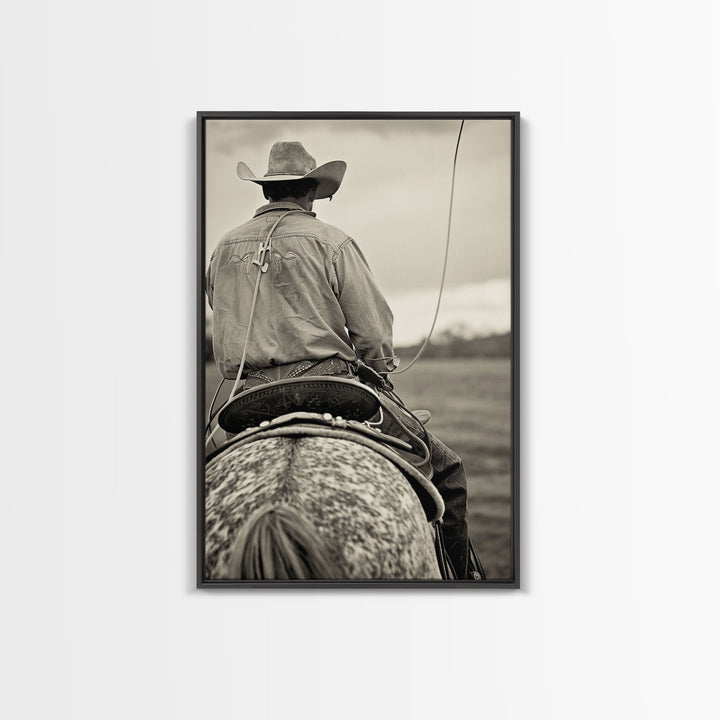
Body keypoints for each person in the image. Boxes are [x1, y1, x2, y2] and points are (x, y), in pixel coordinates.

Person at [206, 141, 471, 578]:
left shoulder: (224, 247)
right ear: (311, 189)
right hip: (330, 381)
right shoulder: (333, 241)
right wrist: (379, 368)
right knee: (448, 473)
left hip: (246, 392)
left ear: (265, 191)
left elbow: (221, 310)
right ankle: (462, 586)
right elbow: (371, 325)